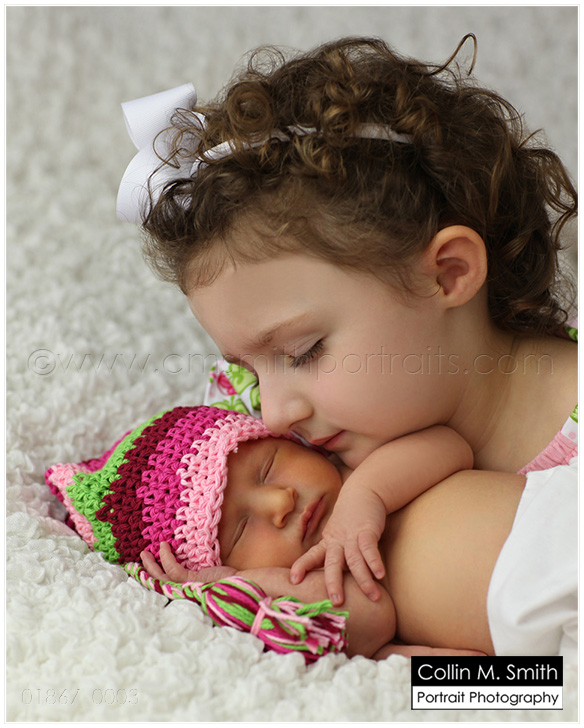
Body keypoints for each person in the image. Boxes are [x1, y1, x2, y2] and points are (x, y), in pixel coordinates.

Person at [116, 35, 578, 606]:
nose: (275, 414)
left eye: (304, 351)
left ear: (448, 274)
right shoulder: (294, 463)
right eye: (251, 370)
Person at [45, 405, 577, 661]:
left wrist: (368, 497)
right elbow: (371, 622)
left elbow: (451, 446)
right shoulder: (315, 585)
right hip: (548, 637)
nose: (279, 503)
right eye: (240, 531)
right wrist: (245, 587)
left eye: (269, 467)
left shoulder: (362, 471)